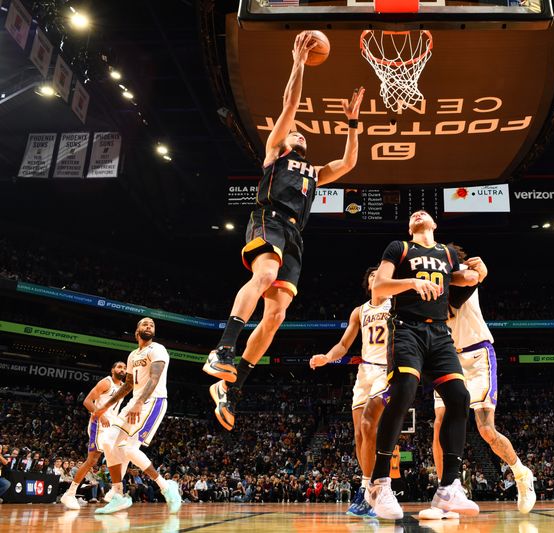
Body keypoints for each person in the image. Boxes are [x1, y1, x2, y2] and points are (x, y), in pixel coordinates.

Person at [204, 32, 365, 430]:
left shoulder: (313, 171)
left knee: (276, 316)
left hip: (295, 236)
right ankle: (223, 348)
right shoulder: (276, 152)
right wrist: (297, 63)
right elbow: (290, 104)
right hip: (268, 218)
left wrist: (352, 121)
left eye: (301, 134)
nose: (299, 133)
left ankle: (232, 387)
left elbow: (347, 163)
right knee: (265, 274)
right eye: (296, 131)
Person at [364, 210, 481, 520]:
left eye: (424, 213)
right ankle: (378, 482)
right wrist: (413, 282)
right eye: (413, 215)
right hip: (406, 328)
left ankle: (448, 489)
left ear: (434, 225)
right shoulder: (400, 248)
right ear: (410, 227)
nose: (418, 214)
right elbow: (379, 286)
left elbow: (459, 279)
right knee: (404, 391)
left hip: (440, 332)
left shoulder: (447, 253)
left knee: (459, 397)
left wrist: (477, 274)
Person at [430, 244, 536, 514]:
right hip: (447, 357)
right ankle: (447, 490)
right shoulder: (428, 280)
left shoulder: (462, 271)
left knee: (486, 430)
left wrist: (480, 270)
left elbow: (475, 276)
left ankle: (522, 475)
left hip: (477, 354)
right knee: (439, 425)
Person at [309, 266, 389, 517]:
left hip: (387, 370)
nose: (377, 276)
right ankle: (367, 488)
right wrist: (327, 357)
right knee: (358, 434)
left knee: (370, 428)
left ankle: (371, 490)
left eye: (381, 274)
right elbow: (344, 344)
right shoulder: (360, 311)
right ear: (368, 283)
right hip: (364, 372)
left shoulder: (396, 305)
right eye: (373, 275)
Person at [92, 317, 181, 514]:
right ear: (136, 332)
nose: (149, 326)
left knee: (129, 448)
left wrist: (139, 402)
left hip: (153, 401)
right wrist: (104, 407)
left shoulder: (157, 349)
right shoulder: (132, 355)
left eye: (152, 325)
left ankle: (166, 487)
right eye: (144, 324)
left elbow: (155, 378)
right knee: (107, 440)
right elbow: (129, 385)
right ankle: (118, 495)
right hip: (135, 402)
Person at [61, 361, 128, 510]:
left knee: (121, 453)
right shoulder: (106, 383)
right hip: (98, 424)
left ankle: (116, 492)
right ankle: (70, 493)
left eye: (124, 368)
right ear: (112, 370)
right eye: (119, 367)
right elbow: (87, 401)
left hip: (112, 425)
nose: (122, 369)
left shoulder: (124, 386)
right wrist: (100, 415)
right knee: (92, 460)